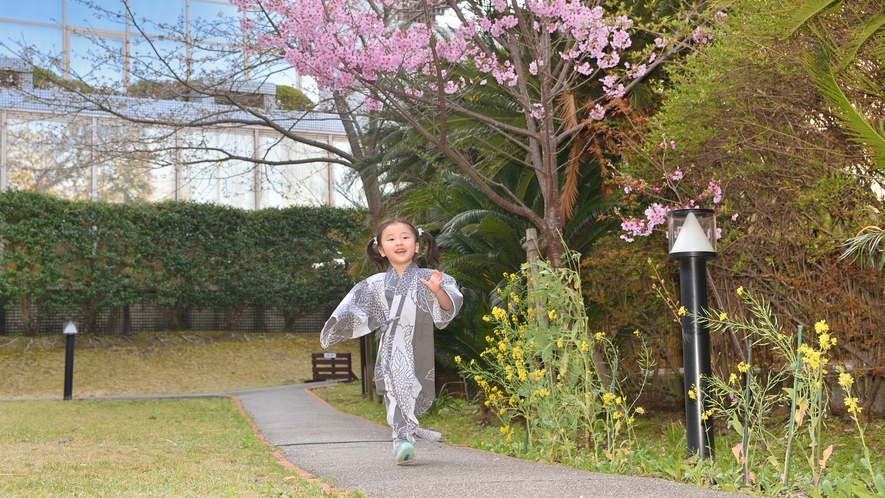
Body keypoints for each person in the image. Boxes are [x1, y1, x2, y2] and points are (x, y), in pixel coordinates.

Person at [320, 218, 463, 465]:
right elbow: (354, 310)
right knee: (395, 388)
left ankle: (404, 435)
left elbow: (448, 309)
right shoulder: (373, 284)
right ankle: (402, 438)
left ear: (417, 246)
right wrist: (338, 328)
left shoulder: (430, 278)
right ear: (380, 249)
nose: (399, 242)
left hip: (418, 344)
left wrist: (438, 290)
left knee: (412, 387)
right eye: (391, 238)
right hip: (390, 346)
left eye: (405, 237)